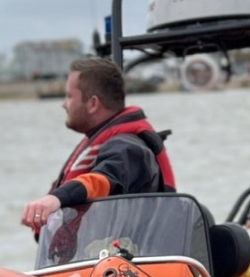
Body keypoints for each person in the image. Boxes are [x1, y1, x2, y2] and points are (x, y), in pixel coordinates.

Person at [19, 56, 176, 235]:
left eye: (70, 96)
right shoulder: (108, 142)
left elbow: (105, 178)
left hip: (127, 256)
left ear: (93, 103)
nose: (64, 104)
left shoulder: (128, 147)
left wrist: (56, 199)